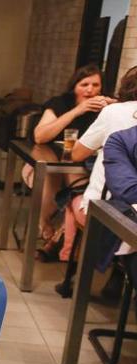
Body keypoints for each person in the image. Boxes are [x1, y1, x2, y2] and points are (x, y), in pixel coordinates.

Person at [31, 65, 115, 257]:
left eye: (96, 85)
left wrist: (113, 106)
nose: (90, 90)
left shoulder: (104, 110)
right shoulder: (60, 103)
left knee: (77, 186)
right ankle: (45, 225)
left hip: (78, 166)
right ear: (74, 86)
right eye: (84, 84)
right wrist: (77, 110)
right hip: (43, 164)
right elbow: (40, 137)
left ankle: (58, 240)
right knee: (54, 177)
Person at [59, 66, 137, 263]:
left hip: (109, 212)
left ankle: (70, 259)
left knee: (70, 197)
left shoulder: (113, 113)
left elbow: (76, 154)